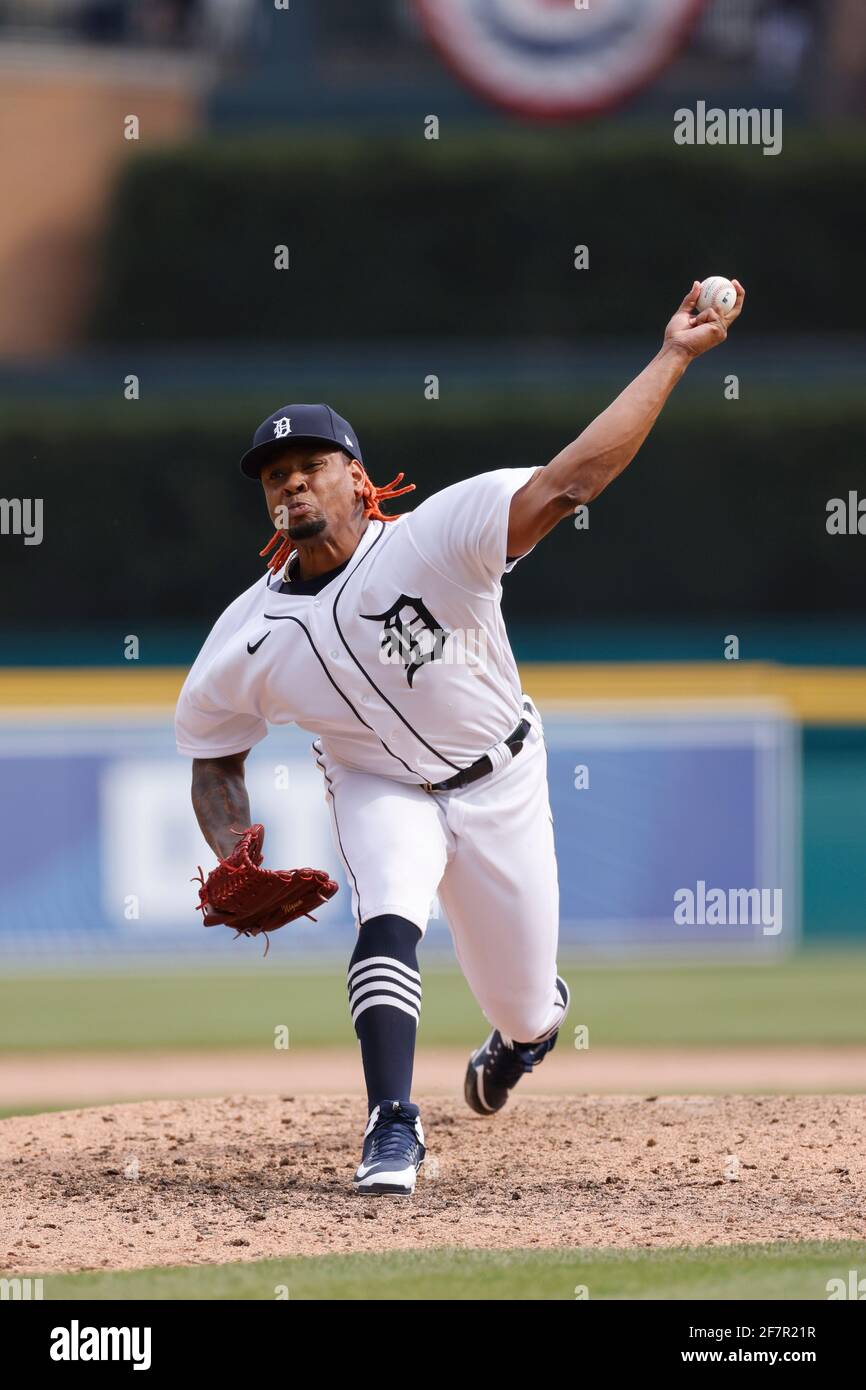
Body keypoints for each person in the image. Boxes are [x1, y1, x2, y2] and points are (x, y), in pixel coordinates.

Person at [175, 279, 746, 1196]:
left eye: (311, 462)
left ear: (357, 477)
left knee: (524, 1005)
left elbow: (570, 483)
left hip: (501, 780)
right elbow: (214, 753)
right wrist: (234, 849)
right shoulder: (244, 635)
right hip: (376, 786)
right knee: (387, 916)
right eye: (274, 474)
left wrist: (675, 354)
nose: (288, 479)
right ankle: (392, 1127)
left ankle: (522, 1041)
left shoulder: (436, 538)